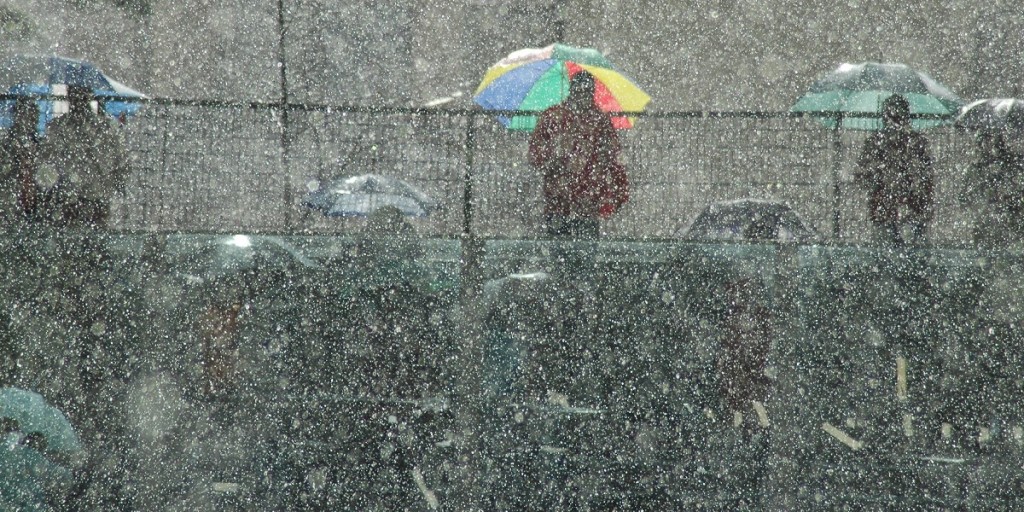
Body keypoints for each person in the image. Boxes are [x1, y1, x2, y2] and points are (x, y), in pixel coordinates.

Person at [528, 71, 629, 239]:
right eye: (581, 91)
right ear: (573, 91)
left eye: (586, 91)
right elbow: (535, 155)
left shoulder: (597, 120)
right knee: (572, 250)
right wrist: (554, 157)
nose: (583, 96)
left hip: (580, 200)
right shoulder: (555, 117)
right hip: (566, 199)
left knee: (570, 250)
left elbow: (611, 154)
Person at [35, 85, 130, 229]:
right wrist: (117, 181)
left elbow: (48, 159)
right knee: (96, 236)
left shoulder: (58, 126)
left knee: (70, 237)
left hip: (71, 193)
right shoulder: (106, 126)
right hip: (97, 192)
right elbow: (121, 160)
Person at [855, 94, 935, 247]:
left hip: (901, 210)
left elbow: (926, 178)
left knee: (893, 255)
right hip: (897, 210)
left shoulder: (912, 142)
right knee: (907, 256)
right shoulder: (914, 142)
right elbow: (862, 176)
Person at [960, 129, 1024, 247]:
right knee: (983, 250)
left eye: (992, 142)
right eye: (986, 141)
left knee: (1003, 250)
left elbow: (1013, 190)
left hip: (1001, 219)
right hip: (982, 217)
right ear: (979, 144)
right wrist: (977, 194)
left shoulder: (1002, 166)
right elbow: (963, 196)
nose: (989, 146)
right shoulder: (973, 168)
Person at [0, 95, 41, 221]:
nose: (34, 120)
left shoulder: (37, 143)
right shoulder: (8, 144)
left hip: (28, 203)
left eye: (35, 116)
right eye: (30, 116)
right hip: (13, 203)